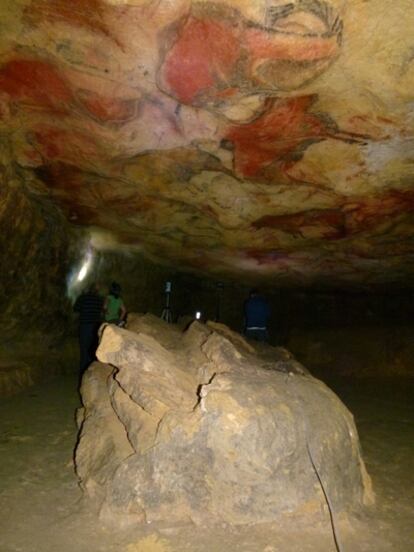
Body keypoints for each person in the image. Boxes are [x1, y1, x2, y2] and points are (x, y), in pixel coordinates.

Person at [73, 282, 104, 374]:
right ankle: (91, 373)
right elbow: (101, 312)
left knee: (84, 350)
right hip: (95, 327)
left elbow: (75, 309)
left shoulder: (83, 298)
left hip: (85, 326)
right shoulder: (99, 299)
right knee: (93, 350)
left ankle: (83, 372)